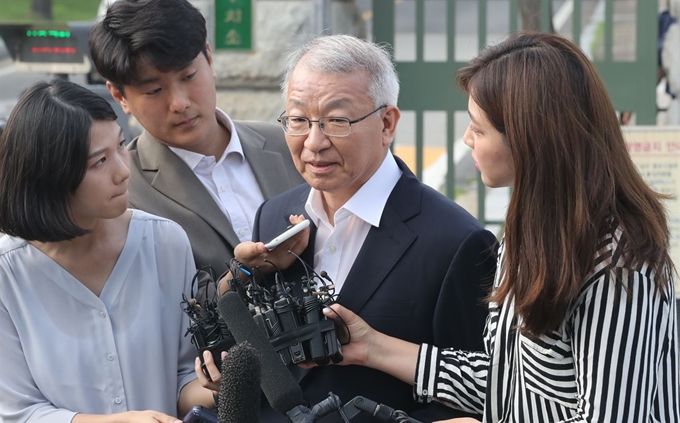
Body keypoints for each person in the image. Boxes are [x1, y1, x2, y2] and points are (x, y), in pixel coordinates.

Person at [317, 32, 680, 423]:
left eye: (479, 128)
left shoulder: (618, 264)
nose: (467, 138)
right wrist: (372, 347)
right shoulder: (534, 230)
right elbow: (506, 384)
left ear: (529, 140)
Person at [199, 34, 499, 422]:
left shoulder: (458, 241)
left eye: (336, 121)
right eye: (297, 120)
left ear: (387, 123)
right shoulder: (274, 216)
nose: (314, 141)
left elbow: (475, 397)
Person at [0, 79, 216, 423]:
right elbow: (15, 412)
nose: (122, 171)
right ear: (51, 176)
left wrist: (230, 384)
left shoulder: (165, 242)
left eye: (120, 146)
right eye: (99, 161)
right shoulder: (7, 273)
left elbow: (182, 377)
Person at [88, 0, 304, 293]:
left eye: (188, 76)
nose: (179, 103)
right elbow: (161, 316)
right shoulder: (123, 194)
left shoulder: (287, 142)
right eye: (154, 90)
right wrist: (243, 273)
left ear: (209, 59)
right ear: (119, 95)